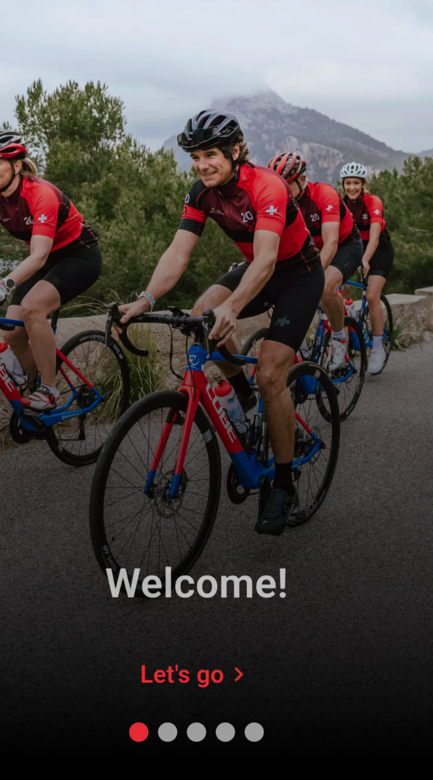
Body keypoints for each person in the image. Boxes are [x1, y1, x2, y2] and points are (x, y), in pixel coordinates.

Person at [118, 110, 324, 537]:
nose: (202, 164)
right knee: (199, 312)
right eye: (195, 157)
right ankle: (243, 396)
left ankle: (283, 483)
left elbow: (268, 258)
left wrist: (233, 307)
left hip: (297, 276)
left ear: (235, 151)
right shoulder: (201, 193)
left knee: (271, 374)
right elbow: (178, 254)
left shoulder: (266, 185)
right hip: (254, 270)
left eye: (210, 154)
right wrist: (144, 299)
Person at [0, 128, 102, 411]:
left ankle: (50, 390)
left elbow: (37, 256)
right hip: (44, 259)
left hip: (79, 256)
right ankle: (32, 387)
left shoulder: (41, 194)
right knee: (12, 333)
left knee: (32, 309)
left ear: (16, 166)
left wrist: (3, 285)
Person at [269, 152, 363, 371]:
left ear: (301, 180)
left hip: (345, 244)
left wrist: (310, 277)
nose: (280, 191)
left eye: (285, 185)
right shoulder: (281, 201)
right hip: (311, 249)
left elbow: (331, 243)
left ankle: (340, 339)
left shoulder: (324, 194)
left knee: (325, 286)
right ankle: (298, 344)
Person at [340, 162, 394, 374]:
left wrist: (365, 259)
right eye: (348, 183)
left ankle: (378, 348)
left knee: (371, 297)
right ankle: (350, 311)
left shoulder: (373, 202)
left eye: (356, 183)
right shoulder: (340, 204)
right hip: (354, 247)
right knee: (337, 285)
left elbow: (373, 237)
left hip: (379, 249)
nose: (352, 187)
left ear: (363, 185)